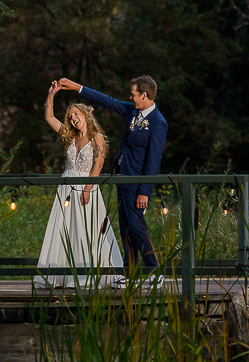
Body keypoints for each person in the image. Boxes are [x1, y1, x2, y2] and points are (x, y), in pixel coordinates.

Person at [57, 74, 167, 284]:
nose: (130, 97)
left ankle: (155, 272)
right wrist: (77, 87)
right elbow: (107, 100)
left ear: (144, 94)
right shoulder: (133, 110)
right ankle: (128, 273)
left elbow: (154, 160)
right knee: (126, 225)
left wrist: (145, 190)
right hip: (122, 177)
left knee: (136, 225)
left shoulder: (158, 122)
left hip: (136, 181)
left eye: (133, 94)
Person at [37, 82, 124, 290]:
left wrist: (87, 189)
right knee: (65, 228)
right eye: (70, 116)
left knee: (89, 229)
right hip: (66, 187)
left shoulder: (97, 138)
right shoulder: (70, 136)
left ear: (86, 115)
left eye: (76, 114)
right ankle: (63, 275)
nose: (73, 118)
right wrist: (51, 95)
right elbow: (49, 118)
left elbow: (99, 164)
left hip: (87, 186)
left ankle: (94, 273)